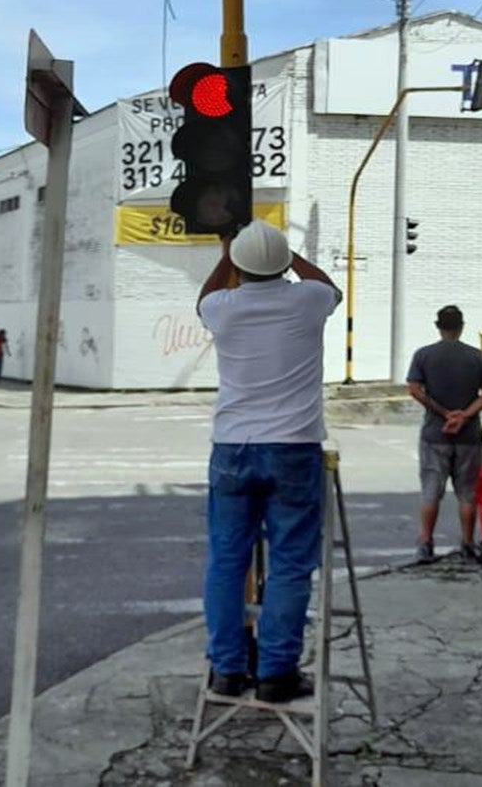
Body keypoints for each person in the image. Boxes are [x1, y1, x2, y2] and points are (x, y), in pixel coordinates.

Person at [195, 219, 341, 704]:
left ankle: (227, 670)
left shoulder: (223, 308)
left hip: (232, 447)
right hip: (294, 447)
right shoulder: (308, 301)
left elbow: (203, 298)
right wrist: (289, 254)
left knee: (227, 561)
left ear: (238, 266)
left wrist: (228, 254)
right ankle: (277, 673)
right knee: (290, 564)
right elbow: (328, 285)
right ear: (283, 264)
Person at [406, 304, 482, 565]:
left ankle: (425, 544)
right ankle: (468, 544)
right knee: (468, 493)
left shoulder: (423, 355)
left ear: (438, 327)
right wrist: (464, 415)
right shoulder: (477, 357)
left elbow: (414, 389)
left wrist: (444, 413)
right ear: (461, 327)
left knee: (431, 492)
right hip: (469, 436)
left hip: (435, 434)